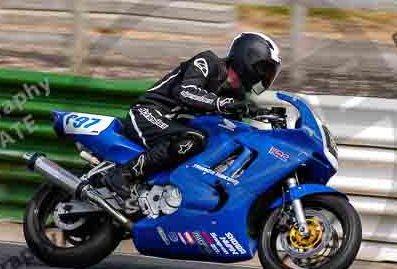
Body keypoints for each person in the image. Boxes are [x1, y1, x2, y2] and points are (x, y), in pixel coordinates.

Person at [97, 32, 282, 198]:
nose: (265, 77)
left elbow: (233, 129)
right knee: (194, 139)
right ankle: (124, 174)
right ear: (247, 58)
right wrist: (222, 103)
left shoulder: (237, 95)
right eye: (264, 69)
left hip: (172, 128)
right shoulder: (208, 62)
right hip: (148, 113)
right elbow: (186, 92)